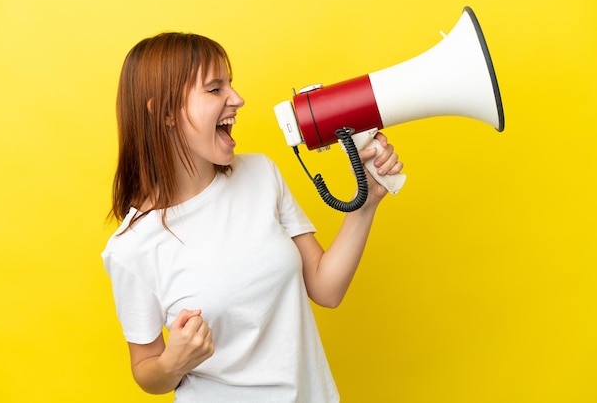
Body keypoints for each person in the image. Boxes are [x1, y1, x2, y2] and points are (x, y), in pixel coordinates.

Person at [102, 32, 403, 403]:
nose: (237, 99)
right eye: (215, 90)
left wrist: (369, 199)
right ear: (163, 113)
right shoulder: (131, 248)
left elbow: (326, 289)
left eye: (230, 84)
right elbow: (145, 370)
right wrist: (173, 363)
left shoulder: (261, 174)